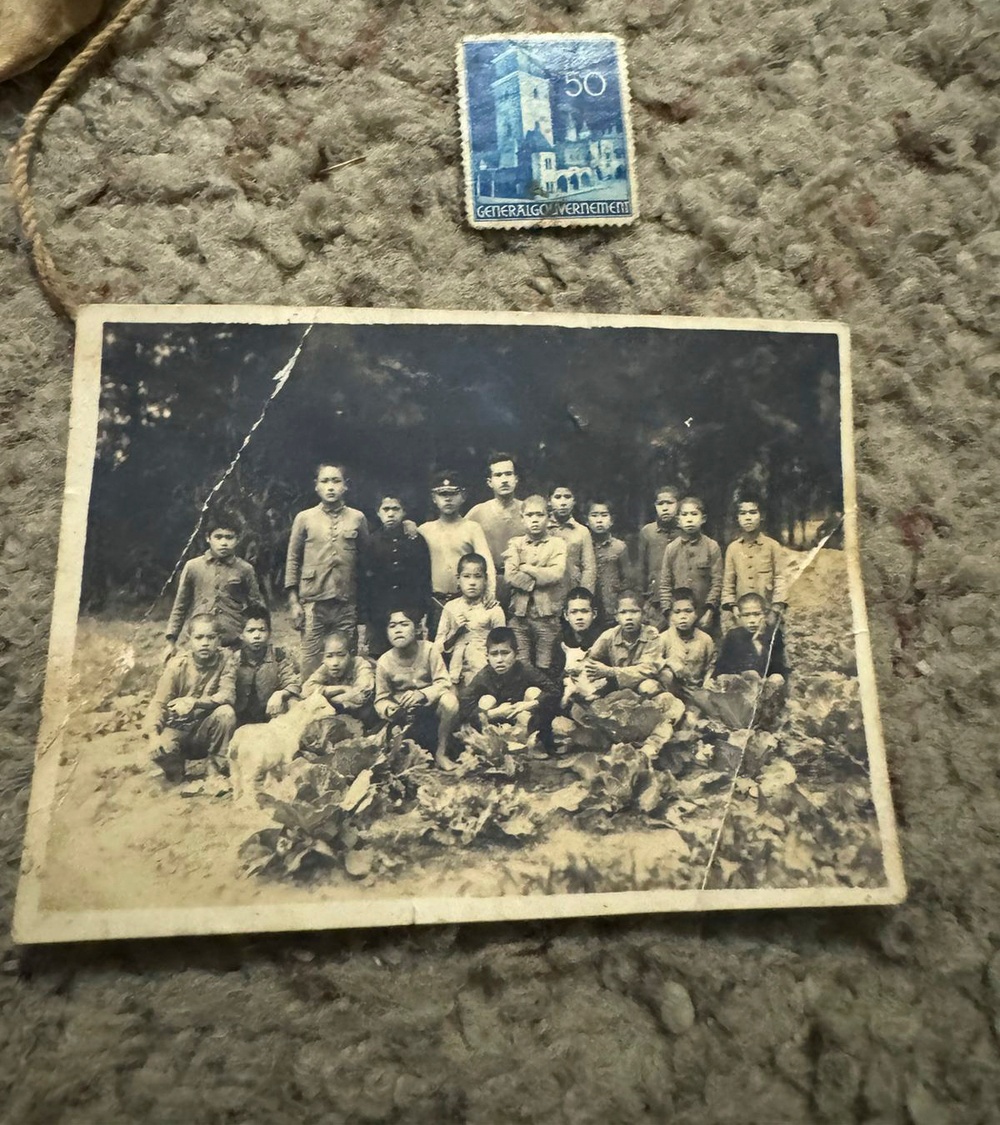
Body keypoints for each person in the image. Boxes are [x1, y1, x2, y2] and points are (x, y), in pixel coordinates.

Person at [284, 461, 369, 678]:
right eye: (325, 481)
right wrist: (294, 602)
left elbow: (366, 561)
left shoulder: (357, 518)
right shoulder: (304, 518)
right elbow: (293, 559)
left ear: (345, 486)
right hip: (314, 603)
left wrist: (362, 603)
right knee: (311, 659)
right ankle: (310, 704)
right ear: (316, 486)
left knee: (345, 657)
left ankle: (343, 706)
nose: (330, 487)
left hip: (345, 602)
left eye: (336, 481)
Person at [144, 614, 236, 784]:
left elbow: (228, 695)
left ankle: (215, 767)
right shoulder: (177, 665)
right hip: (178, 729)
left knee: (226, 713)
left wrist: (195, 702)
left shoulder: (226, 659)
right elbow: (159, 703)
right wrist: (153, 735)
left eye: (211, 637)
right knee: (161, 749)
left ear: (219, 639)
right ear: (189, 640)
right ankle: (175, 769)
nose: (205, 643)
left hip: (206, 730)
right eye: (199, 637)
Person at [164, 511, 264, 657]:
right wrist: (171, 641)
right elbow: (180, 605)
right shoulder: (193, 567)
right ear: (208, 538)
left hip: (234, 640)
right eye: (218, 537)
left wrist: (257, 638)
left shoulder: (245, 569)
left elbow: (256, 607)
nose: (223, 542)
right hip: (201, 639)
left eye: (229, 537)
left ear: (238, 539)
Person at [374, 607, 460, 769]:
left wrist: (422, 694)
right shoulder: (384, 662)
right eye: (392, 626)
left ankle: (441, 753)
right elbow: (381, 699)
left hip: (432, 711)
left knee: (450, 701)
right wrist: (389, 708)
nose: (398, 630)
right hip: (404, 716)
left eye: (404, 624)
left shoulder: (429, 650)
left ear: (417, 628)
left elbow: (444, 683)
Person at [418, 471, 496, 638]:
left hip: (466, 600)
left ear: (463, 496)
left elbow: (486, 561)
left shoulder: (472, 528)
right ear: (434, 498)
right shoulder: (424, 530)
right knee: (437, 648)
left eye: (453, 494)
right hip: (436, 602)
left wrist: (490, 591)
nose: (448, 499)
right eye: (442, 494)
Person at [362, 493, 432, 658]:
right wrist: (367, 618)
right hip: (380, 611)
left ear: (404, 512)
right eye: (386, 509)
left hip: (409, 608)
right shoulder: (372, 542)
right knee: (380, 654)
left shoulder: (416, 540)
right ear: (378, 512)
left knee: (412, 653)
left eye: (396, 509)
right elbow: (365, 581)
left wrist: (422, 610)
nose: (391, 514)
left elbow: (424, 576)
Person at [460, 627, 558, 744]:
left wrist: (528, 704)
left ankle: (532, 739)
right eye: (494, 654)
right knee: (486, 700)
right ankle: (492, 743)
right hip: (495, 724)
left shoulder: (525, 669)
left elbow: (554, 691)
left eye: (505, 653)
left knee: (533, 692)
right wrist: (494, 713)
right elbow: (464, 707)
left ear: (516, 654)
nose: (500, 660)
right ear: (487, 656)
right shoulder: (483, 676)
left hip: (522, 721)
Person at [504, 494, 568, 672]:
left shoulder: (558, 544)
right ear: (522, 518)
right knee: (521, 663)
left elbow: (556, 574)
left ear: (548, 517)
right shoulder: (515, 543)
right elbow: (510, 575)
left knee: (544, 664)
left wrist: (528, 569)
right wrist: (535, 582)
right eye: (530, 515)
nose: (535, 520)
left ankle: (543, 698)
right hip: (519, 615)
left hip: (547, 616)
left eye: (540, 515)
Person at [434, 553, 506, 686]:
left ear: (485, 579)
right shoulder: (451, 608)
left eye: (478, 577)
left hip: (484, 674)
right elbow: (437, 648)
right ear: (458, 579)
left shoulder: (494, 610)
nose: (472, 582)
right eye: (466, 576)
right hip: (455, 674)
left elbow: (502, 647)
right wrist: (454, 633)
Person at [584, 591, 673, 697]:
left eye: (634, 612)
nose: (629, 617)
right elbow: (589, 658)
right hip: (620, 683)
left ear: (643, 614)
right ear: (616, 616)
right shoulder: (609, 635)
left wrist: (611, 672)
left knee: (648, 687)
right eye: (623, 612)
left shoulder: (652, 635)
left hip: (647, 681)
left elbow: (648, 669)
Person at [658, 496, 723, 633]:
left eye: (694, 514)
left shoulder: (712, 547)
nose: (689, 519)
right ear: (678, 520)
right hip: (678, 615)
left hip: (703, 615)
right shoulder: (672, 548)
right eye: (684, 514)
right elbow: (665, 583)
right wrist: (670, 614)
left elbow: (717, 582)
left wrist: (709, 611)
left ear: (703, 519)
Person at [228, 604, 300, 726]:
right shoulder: (233, 659)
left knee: (293, 702)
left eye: (262, 630)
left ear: (270, 633)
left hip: (270, 714)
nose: (257, 636)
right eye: (251, 631)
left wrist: (280, 694)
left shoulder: (278, 656)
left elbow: (293, 683)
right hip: (240, 717)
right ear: (241, 634)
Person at [721, 495, 789, 626]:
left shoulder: (772, 546)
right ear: (737, 518)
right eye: (742, 513)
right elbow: (728, 582)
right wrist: (733, 607)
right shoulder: (733, 548)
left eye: (753, 512)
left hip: (768, 611)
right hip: (743, 612)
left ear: (761, 516)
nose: (748, 518)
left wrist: (775, 609)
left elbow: (780, 578)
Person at [467, 452, 524, 606]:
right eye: (498, 475)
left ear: (516, 479)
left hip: (523, 586)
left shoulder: (528, 510)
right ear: (489, 482)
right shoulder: (477, 513)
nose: (504, 480)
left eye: (508, 474)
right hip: (489, 584)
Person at [549, 586, 608, 706]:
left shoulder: (604, 638)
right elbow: (554, 674)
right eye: (574, 612)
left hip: (600, 694)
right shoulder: (561, 640)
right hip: (571, 692)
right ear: (566, 615)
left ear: (594, 614)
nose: (579, 617)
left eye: (585, 611)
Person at [302, 630, 376, 723]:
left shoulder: (361, 664)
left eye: (341, 655)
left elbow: (361, 694)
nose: (335, 663)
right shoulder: (326, 667)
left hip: (364, 717)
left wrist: (326, 698)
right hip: (339, 714)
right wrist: (342, 689)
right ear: (323, 658)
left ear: (351, 654)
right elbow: (306, 689)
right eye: (329, 656)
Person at [713, 592, 790, 680]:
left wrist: (756, 642)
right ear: (739, 616)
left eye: (757, 614)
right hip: (740, 684)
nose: (752, 620)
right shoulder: (734, 635)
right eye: (746, 615)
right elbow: (722, 667)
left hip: (765, 684)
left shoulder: (773, 634)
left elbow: (775, 667)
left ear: (765, 614)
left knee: (777, 678)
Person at [637, 484, 681, 625]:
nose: (665, 508)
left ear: (678, 504)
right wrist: (644, 599)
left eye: (670, 503)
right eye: (660, 504)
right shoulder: (648, 532)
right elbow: (641, 569)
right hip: (655, 600)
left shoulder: (685, 531)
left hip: (681, 599)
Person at [660, 587, 716, 692]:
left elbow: (711, 666)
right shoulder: (664, 638)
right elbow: (653, 661)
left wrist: (707, 680)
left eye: (688, 611)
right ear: (671, 616)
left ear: (696, 614)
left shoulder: (705, 639)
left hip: (697, 689)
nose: (683, 616)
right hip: (672, 690)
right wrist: (669, 662)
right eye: (677, 612)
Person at [586, 499, 632, 626]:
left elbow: (627, 580)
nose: (599, 520)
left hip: (611, 607)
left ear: (611, 520)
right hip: (588, 608)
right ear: (587, 520)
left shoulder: (619, 547)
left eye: (604, 515)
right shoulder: (584, 545)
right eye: (594, 515)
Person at [547, 484, 596, 595]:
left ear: (574, 501)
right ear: (549, 501)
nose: (563, 502)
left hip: (572, 592)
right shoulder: (542, 529)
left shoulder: (582, 532)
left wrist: (584, 596)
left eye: (567, 497)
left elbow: (589, 569)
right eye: (558, 497)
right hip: (545, 594)